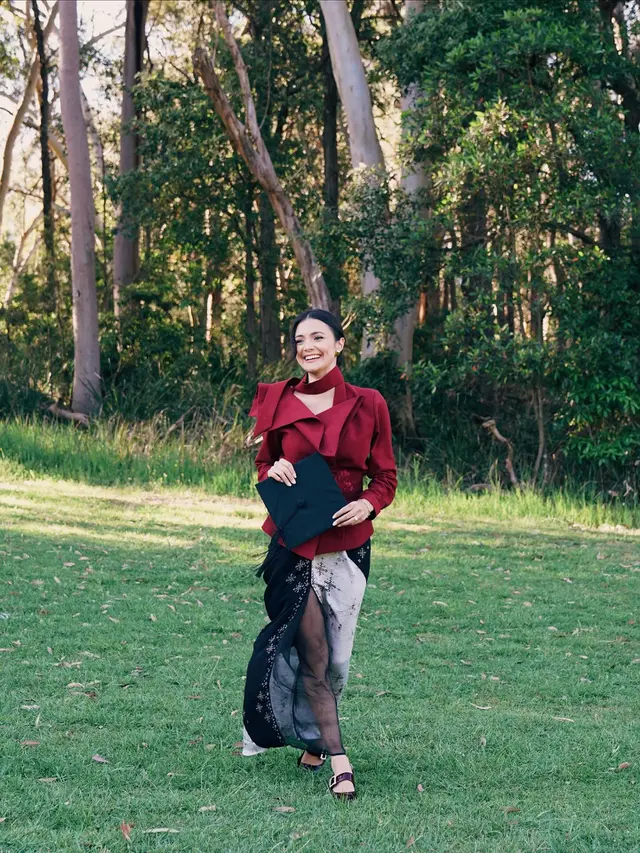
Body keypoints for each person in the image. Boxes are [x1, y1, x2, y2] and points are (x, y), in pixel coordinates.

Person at [241, 308, 397, 801]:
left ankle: (311, 738)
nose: (308, 346)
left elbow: (386, 478)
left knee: (338, 662)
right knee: (314, 651)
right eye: (300, 339)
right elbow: (264, 464)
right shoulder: (277, 399)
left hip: (348, 546)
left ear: (339, 344)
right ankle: (340, 761)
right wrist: (276, 470)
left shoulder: (370, 403)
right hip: (292, 543)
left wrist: (367, 504)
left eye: (318, 337)